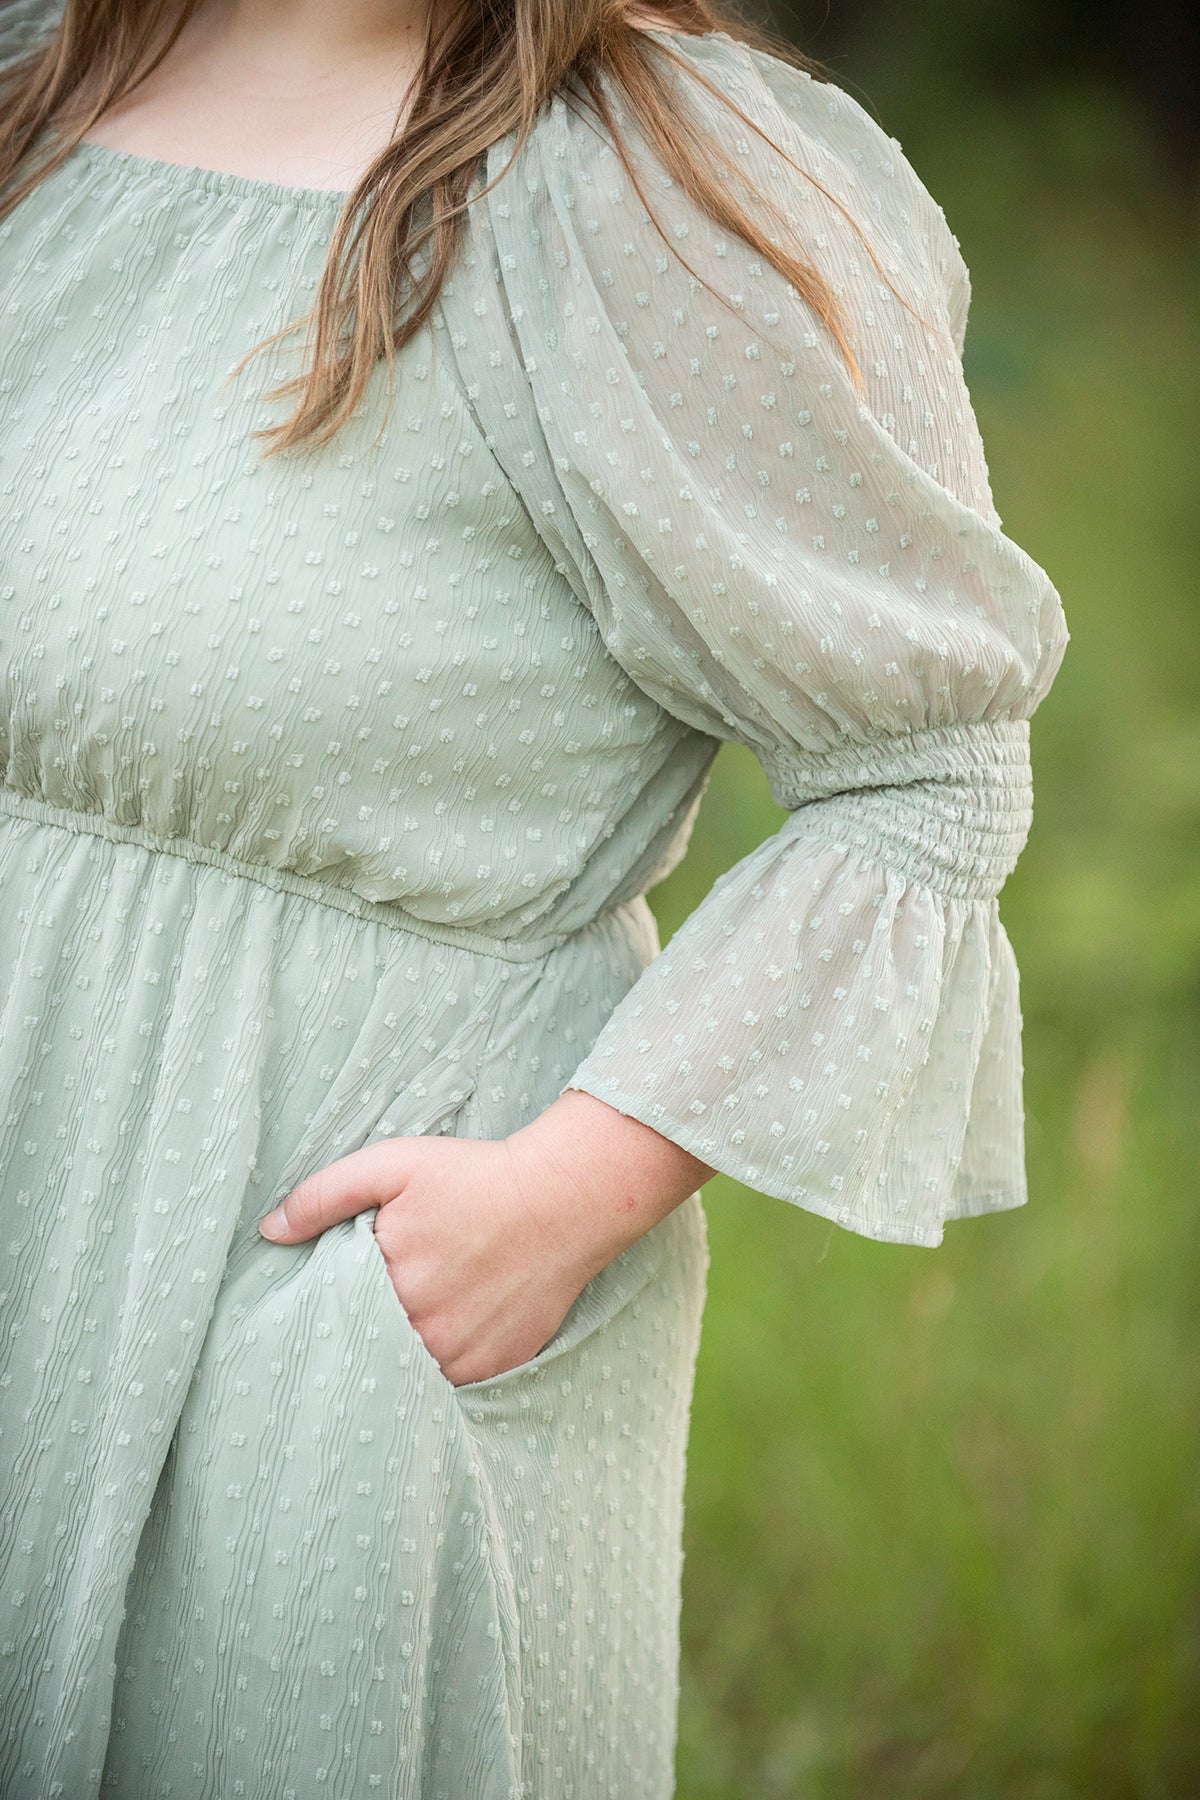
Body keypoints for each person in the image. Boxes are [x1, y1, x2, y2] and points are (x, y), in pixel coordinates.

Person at [0, 0, 1069, 1793]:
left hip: (304, 1287)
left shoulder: (650, 183)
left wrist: (566, 1192)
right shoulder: (45, 75)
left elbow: (929, 776)